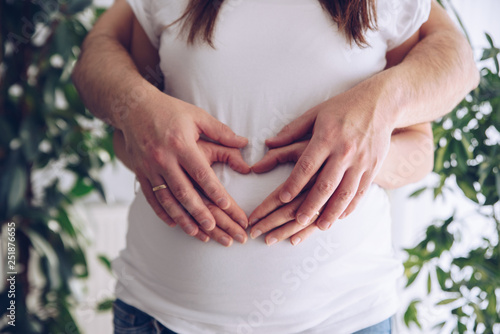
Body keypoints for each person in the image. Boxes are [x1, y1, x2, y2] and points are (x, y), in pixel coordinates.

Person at [72, 0, 478, 333]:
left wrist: (351, 161)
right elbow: (130, 139)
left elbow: (420, 148)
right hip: (162, 315)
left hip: (347, 317)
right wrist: (161, 157)